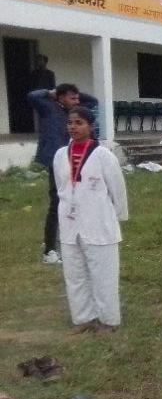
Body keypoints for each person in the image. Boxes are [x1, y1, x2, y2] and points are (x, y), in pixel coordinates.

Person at [53, 106, 128, 332]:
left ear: (91, 126)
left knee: (104, 274)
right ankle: (83, 318)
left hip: (99, 222)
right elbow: (61, 187)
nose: (73, 127)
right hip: (70, 222)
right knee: (75, 273)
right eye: (70, 123)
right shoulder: (60, 155)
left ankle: (108, 320)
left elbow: (117, 190)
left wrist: (116, 217)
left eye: (79, 123)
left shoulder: (103, 155)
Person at [29, 83, 98, 264]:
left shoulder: (76, 112)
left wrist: (74, 94)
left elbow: (93, 101)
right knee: (57, 201)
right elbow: (32, 96)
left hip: (73, 160)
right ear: (60, 98)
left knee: (76, 199)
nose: (76, 101)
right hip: (55, 160)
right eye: (72, 97)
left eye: (77, 98)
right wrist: (50, 92)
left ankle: (68, 238)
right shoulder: (48, 107)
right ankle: (49, 250)